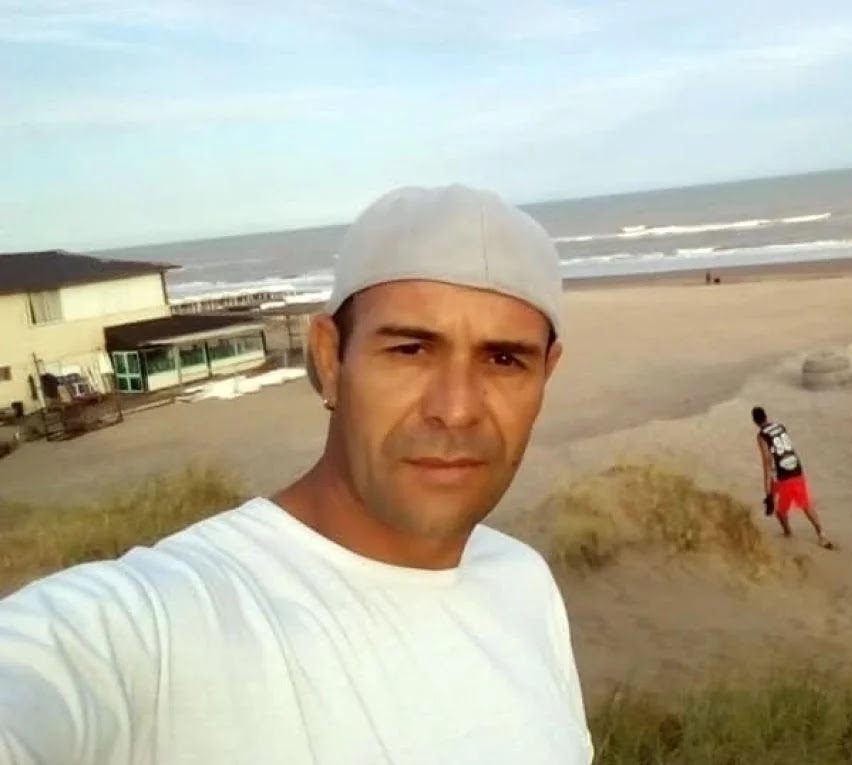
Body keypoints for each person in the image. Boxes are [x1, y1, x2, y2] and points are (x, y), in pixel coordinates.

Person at [0, 184, 593, 763]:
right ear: (330, 358)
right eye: (410, 350)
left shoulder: (524, 581)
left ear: (547, 374)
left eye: (504, 359)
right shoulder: (155, 623)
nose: (456, 409)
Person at [752, 406, 834, 549]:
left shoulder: (762, 436)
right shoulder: (780, 426)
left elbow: (767, 460)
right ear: (766, 416)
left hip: (783, 474)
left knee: (780, 510)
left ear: (755, 421)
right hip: (795, 467)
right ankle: (821, 534)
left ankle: (788, 534)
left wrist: (767, 490)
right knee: (805, 504)